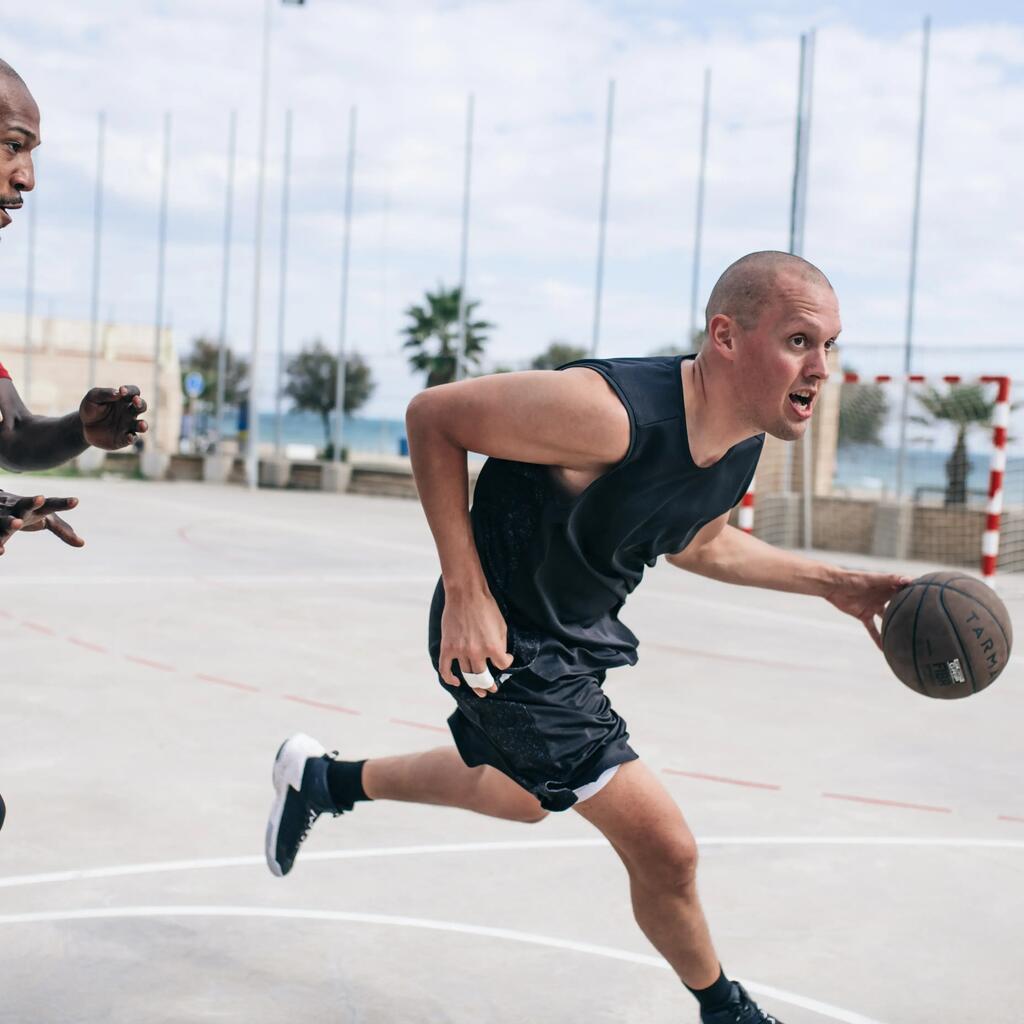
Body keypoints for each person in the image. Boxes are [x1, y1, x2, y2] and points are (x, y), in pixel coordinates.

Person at [265, 251, 910, 1023]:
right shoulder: (610, 413)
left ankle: (323, 781)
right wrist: (466, 595)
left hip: (571, 643)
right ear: (727, 337)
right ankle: (728, 1012)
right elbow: (432, 417)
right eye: (801, 341)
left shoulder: (741, 440)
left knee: (516, 795)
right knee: (665, 848)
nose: (822, 367)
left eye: (831, 346)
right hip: (502, 645)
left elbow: (701, 543)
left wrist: (837, 585)